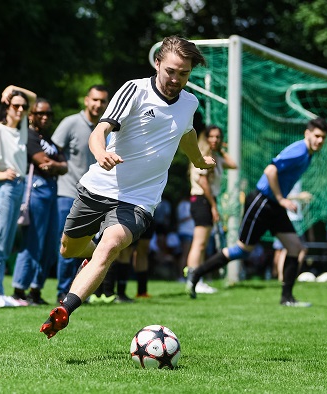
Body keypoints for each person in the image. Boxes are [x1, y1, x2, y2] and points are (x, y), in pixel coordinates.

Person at [40, 35, 215, 338]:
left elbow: (187, 133)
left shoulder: (190, 102)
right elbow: (101, 130)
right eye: (171, 71)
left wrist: (198, 159)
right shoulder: (135, 90)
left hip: (140, 199)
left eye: (184, 74)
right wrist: (101, 153)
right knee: (68, 249)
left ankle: (65, 308)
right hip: (99, 186)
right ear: (157, 63)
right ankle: (91, 257)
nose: (176, 79)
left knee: (108, 248)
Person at [186, 117, 327, 307]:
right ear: (307, 134)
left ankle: (287, 298)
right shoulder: (299, 149)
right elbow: (270, 171)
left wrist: (283, 200)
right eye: (317, 136)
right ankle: (196, 273)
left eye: (323, 138)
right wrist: (281, 199)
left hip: (274, 205)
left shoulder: (309, 154)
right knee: (242, 251)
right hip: (261, 202)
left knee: (296, 247)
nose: (320, 141)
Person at [0, 86, 37, 308]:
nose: (20, 109)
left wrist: (13, 88)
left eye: (23, 106)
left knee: (8, 240)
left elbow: (33, 98)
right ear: (7, 108)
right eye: (15, 105)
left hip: (19, 187)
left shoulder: (20, 128)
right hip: (4, 188)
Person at [52, 85, 109, 303]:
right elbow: (53, 149)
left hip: (97, 195)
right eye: (94, 100)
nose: (98, 105)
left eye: (102, 101)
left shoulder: (107, 129)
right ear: (86, 100)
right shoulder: (70, 123)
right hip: (68, 192)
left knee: (92, 246)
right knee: (68, 245)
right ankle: (62, 291)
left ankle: (80, 290)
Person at [11, 98, 67, 305]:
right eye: (40, 113)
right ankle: (19, 289)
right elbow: (41, 162)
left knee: (51, 243)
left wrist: (55, 165)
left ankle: (36, 289)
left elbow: (65, 166)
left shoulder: (50, 140)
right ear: (31, 116)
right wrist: (55, 164)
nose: (45, 117)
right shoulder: (30, 136)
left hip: (52, 191)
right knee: (33, 241)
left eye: (49, 114)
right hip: (36, 191)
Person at [184, 125, 237, 294]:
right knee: (199, 243)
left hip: (207, 201)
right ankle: (193, 278)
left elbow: (234, 164)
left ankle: (195, 278)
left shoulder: (216, 157)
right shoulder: (202, 156)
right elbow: (202, 182)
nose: (215, 140)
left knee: (203, 243)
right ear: (205, 138)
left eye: (218, 137)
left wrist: (222, 150)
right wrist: (214, 206)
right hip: (202, 200)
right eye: (211, 137)